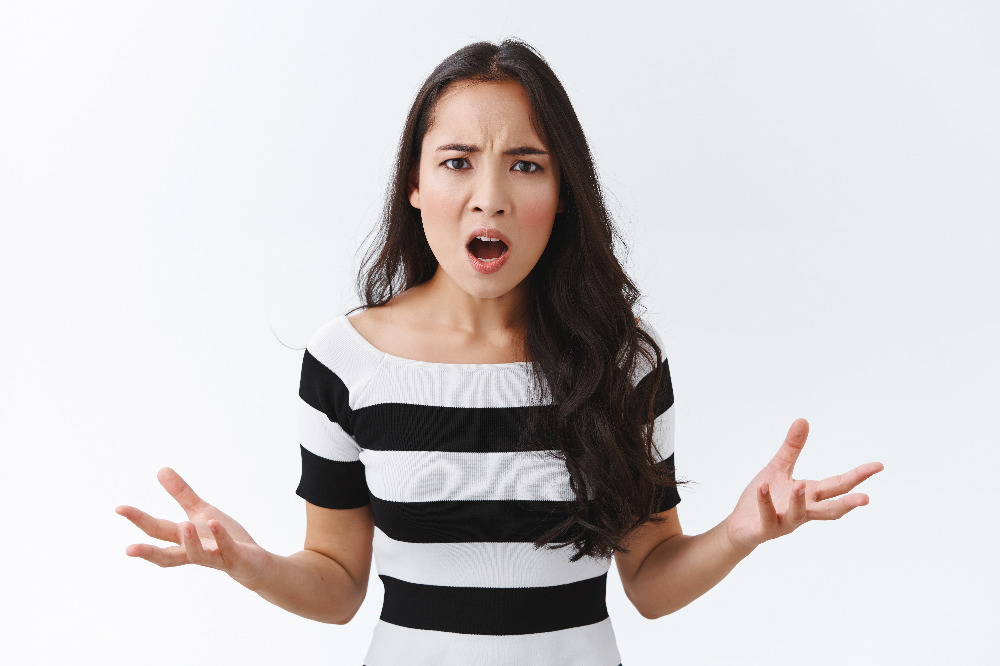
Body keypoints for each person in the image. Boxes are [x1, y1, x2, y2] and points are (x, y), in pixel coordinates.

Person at [115, 38, 884, 665]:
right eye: (457, 162)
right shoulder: (344, 361)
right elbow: (338, 582)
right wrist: (250, 565)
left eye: (525, 164)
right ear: (414, 186)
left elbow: (650, 582)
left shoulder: (623, 366)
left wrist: (740, 532)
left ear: (563, 192)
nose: (491, 196)